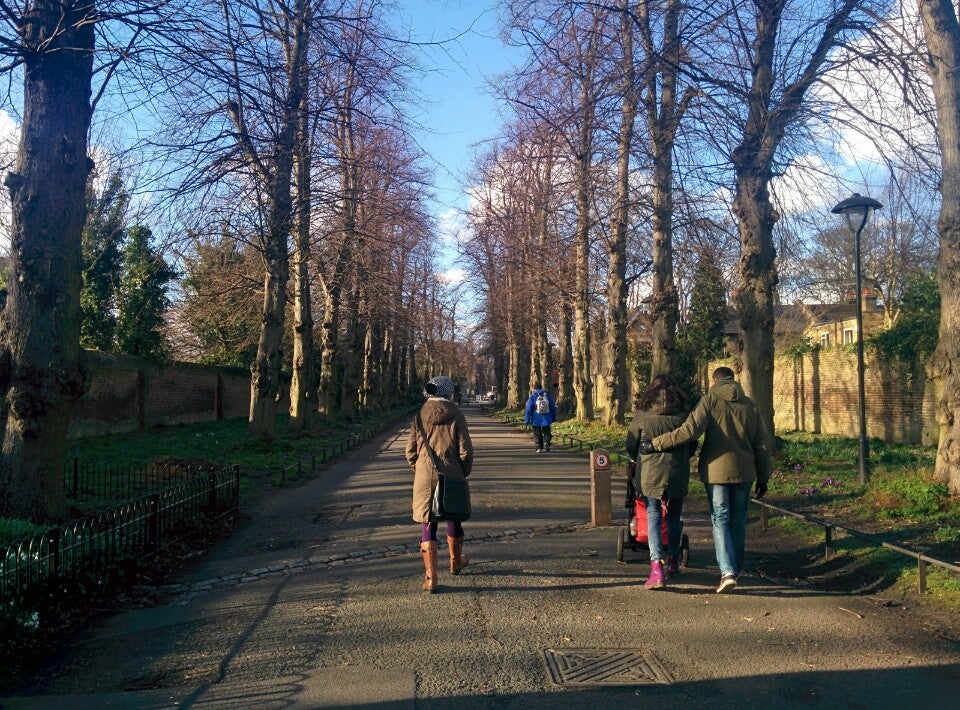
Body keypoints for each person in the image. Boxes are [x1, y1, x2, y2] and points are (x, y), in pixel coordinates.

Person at [645, 366, 770, 594]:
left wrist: (656, 444)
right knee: (738, 521)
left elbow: (689, 431)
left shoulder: (709, 401)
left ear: (714, 381)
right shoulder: (750, 405)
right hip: (745, 471)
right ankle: (735, 570)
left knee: (720, 519)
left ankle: (727, 572)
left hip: (716, 471)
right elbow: (762, 444)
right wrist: (764, 476)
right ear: (734, 380)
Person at [625, 374, 694, 590]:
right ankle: (674, 559)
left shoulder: (643, 414)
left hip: (650, 471)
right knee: (674, 515)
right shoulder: (684, 415)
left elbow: (631, 443)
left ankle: (656, 567)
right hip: (677, 470)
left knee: (653, 515)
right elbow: (692, 444)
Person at [406, 375, 474, 593]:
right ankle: (455, 562)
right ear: (448, 393)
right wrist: (463, 470)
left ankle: (431, 577)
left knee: (428, 521)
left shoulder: (419, 416)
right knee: (453, 515)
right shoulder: (457, 414)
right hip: (452, 471)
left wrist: (420, 469)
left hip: (426, 474)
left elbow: (411, 451)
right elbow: (465, 450)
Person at [524, 383, 557, 453]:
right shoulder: (547, 396)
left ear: (534, 389)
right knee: (547, 431)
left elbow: (528, 409)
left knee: (537, 432)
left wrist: (527, 420)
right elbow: (553, 407)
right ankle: (547, 442)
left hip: (536, 418)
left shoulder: (533, 397)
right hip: (547, 418)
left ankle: (539, 447)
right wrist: (553, 417)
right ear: (541, 388)